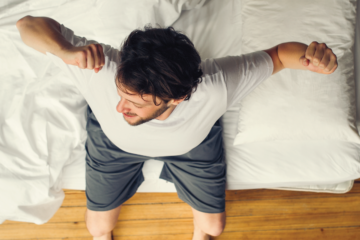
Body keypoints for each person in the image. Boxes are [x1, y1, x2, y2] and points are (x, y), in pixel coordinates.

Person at [16, 15, 338, 240]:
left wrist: (312, 58)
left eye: (135, 103)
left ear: (177, 98)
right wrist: (64, 51)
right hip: (113, 144)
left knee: (214, 228)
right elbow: (27, 25)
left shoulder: (215, 86)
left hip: (192, 144)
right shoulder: (100, 67)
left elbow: (280, 56)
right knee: (97, 229)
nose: (119, 107)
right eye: (120, 93)